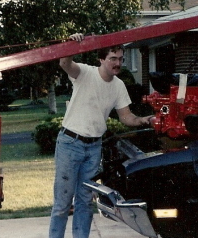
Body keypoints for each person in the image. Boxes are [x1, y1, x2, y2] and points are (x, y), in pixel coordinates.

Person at [49, 33, 153, 238]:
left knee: (85, 202)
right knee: (62, 202)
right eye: (113, 58)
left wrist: (143, 120)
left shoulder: (118, 86)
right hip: (70, 143)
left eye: (121, 59)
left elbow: (126, 117)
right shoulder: (85, 73)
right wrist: (72, 43)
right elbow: (64, 62)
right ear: (101, 59)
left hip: (93, 148)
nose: (118, 63)